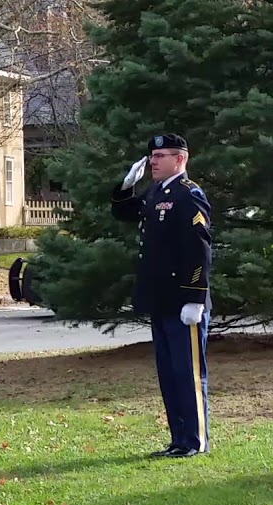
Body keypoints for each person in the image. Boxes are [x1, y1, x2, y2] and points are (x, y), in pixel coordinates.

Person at [111, 132, 213, 458]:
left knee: (188, 373)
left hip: (185, 301)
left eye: (161, 156)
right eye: (152, 156)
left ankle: (195, 440)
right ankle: (179, 439)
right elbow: (125, 213)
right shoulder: (157, 192)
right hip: (162, 300)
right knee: (169, 374)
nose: (153, 161)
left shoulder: (188, 194)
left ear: (179, 159)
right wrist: (126, 187)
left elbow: (199, 249)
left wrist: (196, 297)